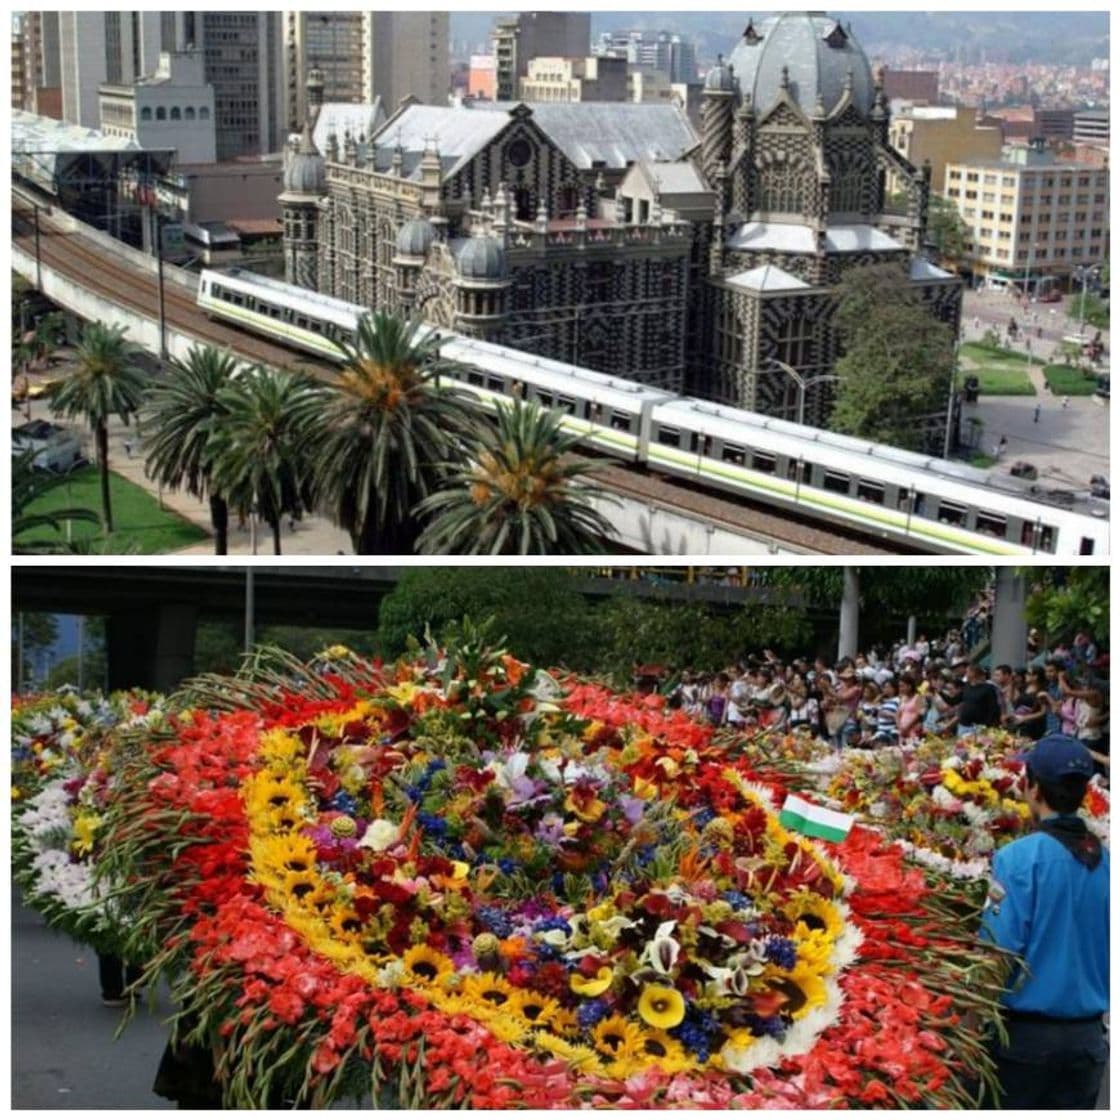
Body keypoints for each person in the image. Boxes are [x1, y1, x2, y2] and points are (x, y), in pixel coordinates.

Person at [978, 735, 1108, 1109]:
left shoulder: (1018, 859)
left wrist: (969, 1024)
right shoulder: (1108, 863)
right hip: (1087, 1044)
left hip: (1024, 1045)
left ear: (1032, 787)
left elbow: (998, 953)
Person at [954, 663, 1003, 736]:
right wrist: (938, 691)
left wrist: (987, 725)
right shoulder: (967, 686)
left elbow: (993, 709)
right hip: (964, 725)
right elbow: (953, 701)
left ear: (973, 673)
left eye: (967, 672)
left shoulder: (988, 688)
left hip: (979, 727)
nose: (966, 674)